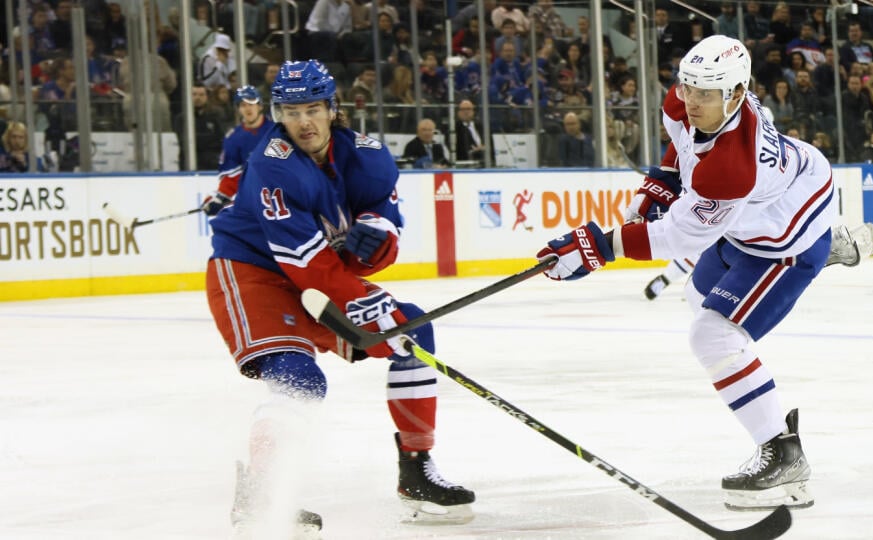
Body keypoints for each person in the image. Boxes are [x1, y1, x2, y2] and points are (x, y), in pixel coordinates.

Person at [535, 35, 830, 511]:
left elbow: (677, 237)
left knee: (713, 337)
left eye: (704, 94)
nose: (690, 99)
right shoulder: (697, 95)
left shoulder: (733, 168)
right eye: (687, 86)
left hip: (785, 240)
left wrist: (597, 247)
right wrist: (664, 180)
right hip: (757, 215)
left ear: (736, 94)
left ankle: (782, 455)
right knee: (697, 298)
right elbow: (682, 142)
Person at [205, 60, 475, 535]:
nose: (303, 122)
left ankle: (416, 471)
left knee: (414, 329)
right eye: (291, 112)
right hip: (253, 272)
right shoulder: (274, 164)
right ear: (277, 115)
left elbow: (385, 225)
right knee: (298, 377)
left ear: (333, 108)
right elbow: (304, 262)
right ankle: (259, 496)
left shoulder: (366, 156)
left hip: (317, 277)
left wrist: (376, 238)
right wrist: (361, 302)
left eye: (313, 108)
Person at [202, 86, 276, 217]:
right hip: (255, 198)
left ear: (260, 106)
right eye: (243, 105)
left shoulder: (276, 131)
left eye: (251, 103)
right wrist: (220, 197)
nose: (248, 108)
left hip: (282, 191)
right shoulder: (233, 138)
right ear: (238, 109)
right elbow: (232, 174)